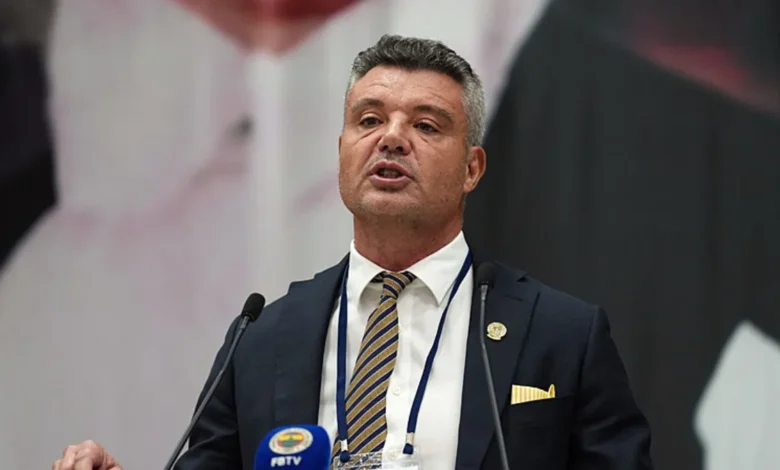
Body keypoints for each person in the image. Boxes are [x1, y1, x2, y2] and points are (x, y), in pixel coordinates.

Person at [53, 34, 653, 470]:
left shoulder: (560, 335)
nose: (392, 138)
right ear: (341, 150)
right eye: (369, 120)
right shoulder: (262, 337)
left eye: (426, 126)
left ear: (472, 168)